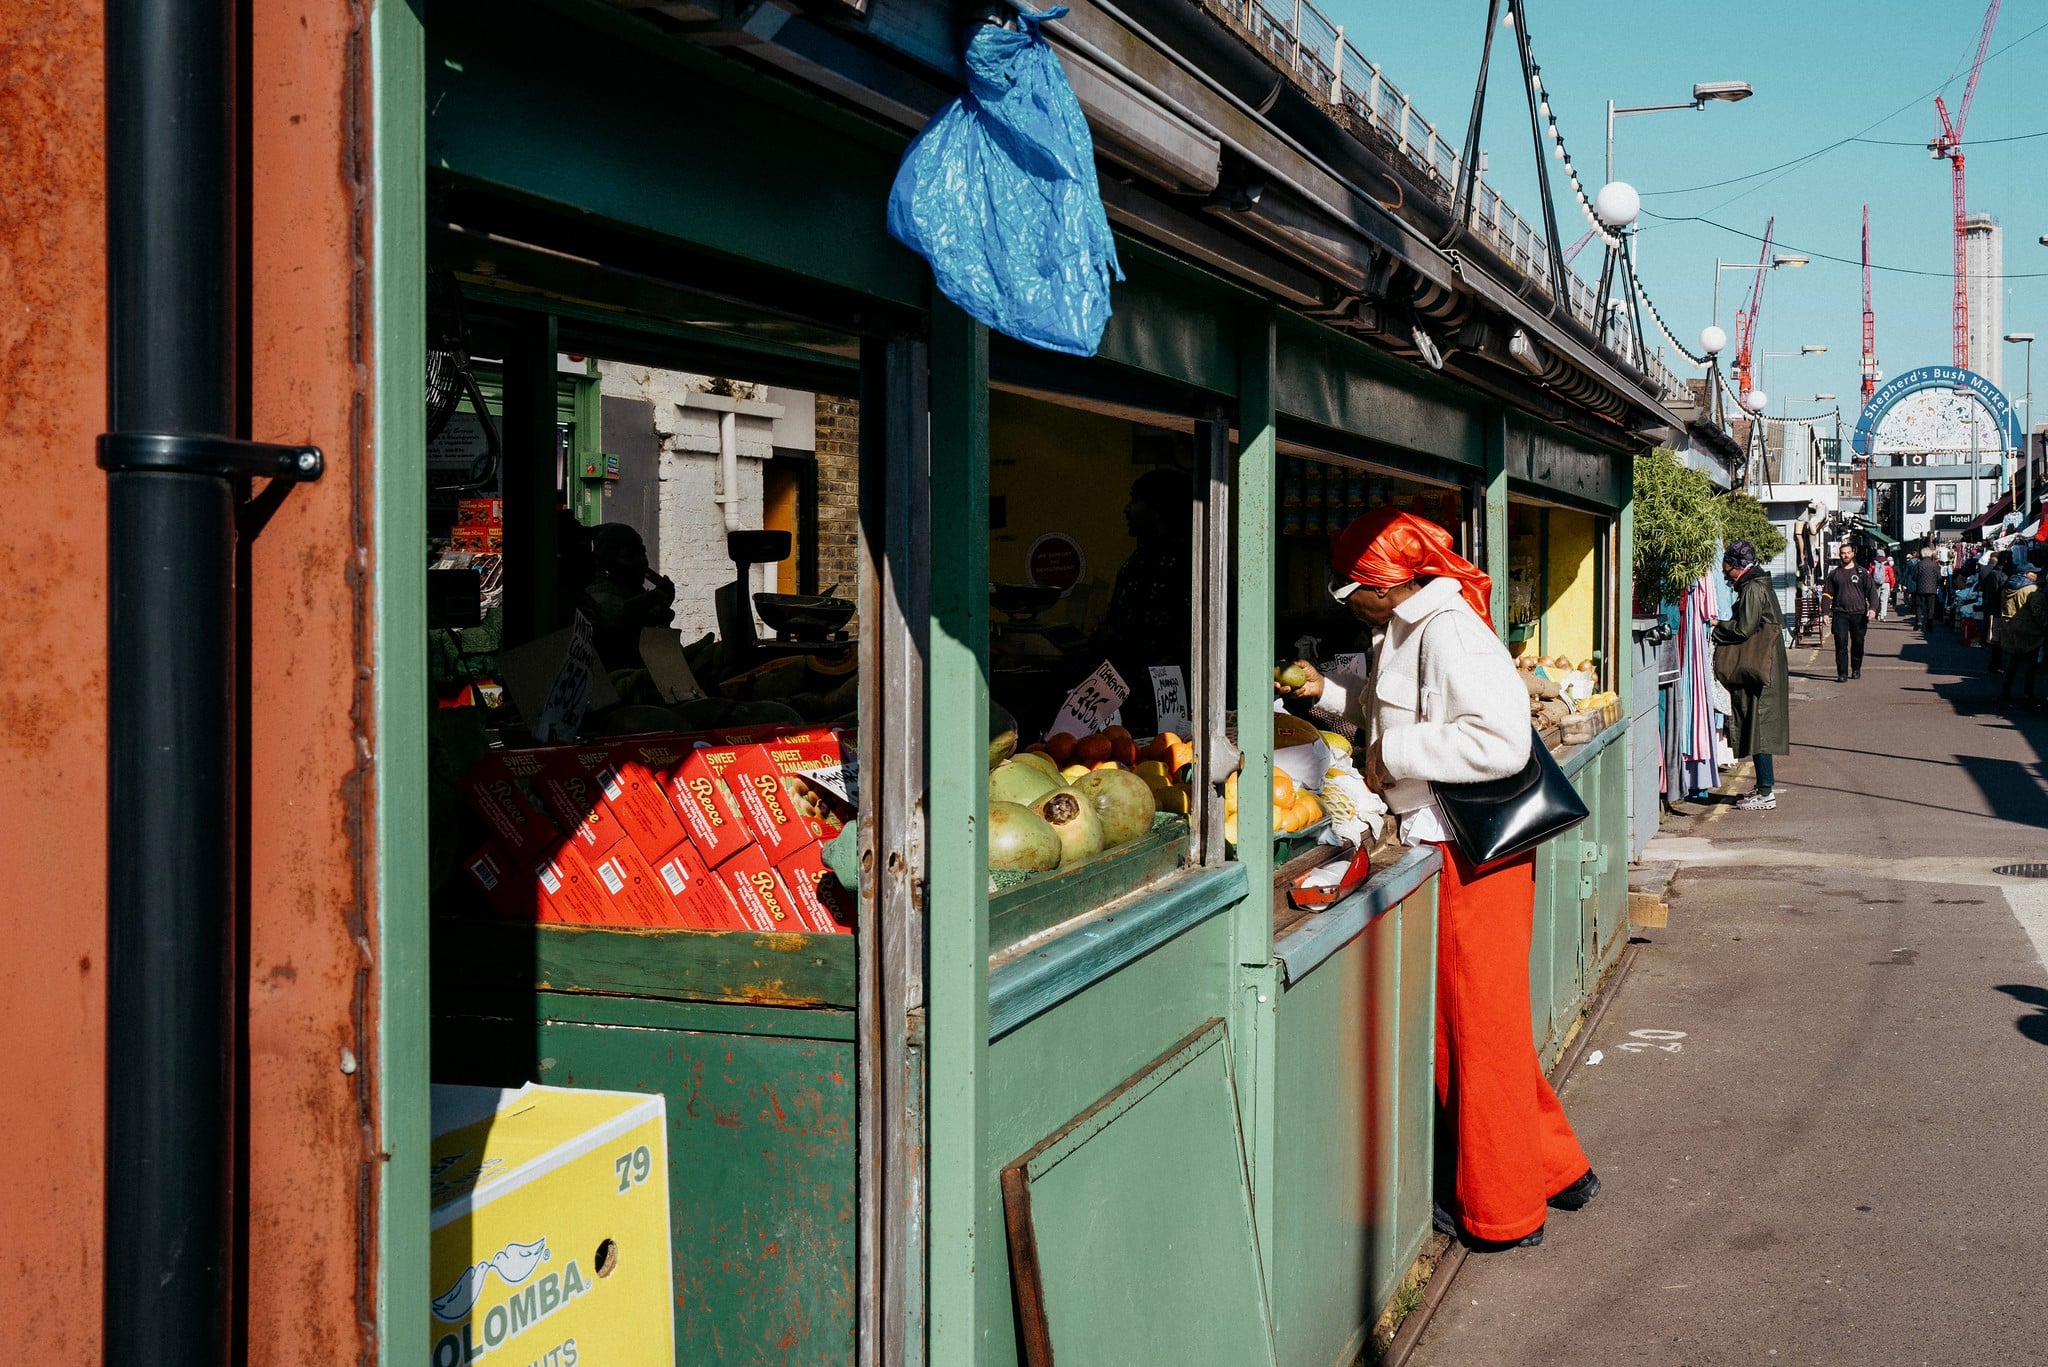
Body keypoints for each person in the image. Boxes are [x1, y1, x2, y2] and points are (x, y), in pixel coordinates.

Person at [1275, 509, 1595, 1251]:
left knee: (1475, 1033)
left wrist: (1400, 755)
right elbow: (1390, 709)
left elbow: (1503, 738)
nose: (1343, 599)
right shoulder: (1404, 626)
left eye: (1350, 587)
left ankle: (1505, 1212)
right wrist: (1326, 694)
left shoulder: (1446, 629)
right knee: (1489, 1027)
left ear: (1390, 583)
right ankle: (1554, 1167)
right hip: (1456, 848)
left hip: (1471, 853)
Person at [1096, 467, 1193, 735]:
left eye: (1135, 501)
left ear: (1158, 509)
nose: (1126, 509)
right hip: (1129, 698)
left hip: (1163, 705)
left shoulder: (1189, 564)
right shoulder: (1139, 561)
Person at [1713, 540, 1791, 811]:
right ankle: (1763, 786)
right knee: (1760, 726)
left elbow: (1743, 628)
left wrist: (1716, 627)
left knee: (1760, 727)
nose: (1726, 574)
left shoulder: (1752, 589)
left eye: (1728, 570)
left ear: (1738, 566)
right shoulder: (1757, 585)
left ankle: (1766, 792)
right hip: (1765, 665)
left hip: (1761, 668)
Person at [578, 522, 677, 671]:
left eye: (642, 553)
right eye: (628, 555)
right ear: (606, 563)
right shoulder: (602, 600)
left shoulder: (632, 592)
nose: (641, 560)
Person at [1820, 543, 1876, 682]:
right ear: (1840, 555)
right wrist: (1825, 613)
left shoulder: (1862, 573)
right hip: (1840, 614)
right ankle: (1842, 673)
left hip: (1858, 614)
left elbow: (1872, 593)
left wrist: (1873, 609)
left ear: (1853, 553)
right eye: (1843, 553)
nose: (1845, 555)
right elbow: (1827, 594)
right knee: (1840, 643)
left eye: (1848, 552)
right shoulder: (1834, 574)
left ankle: (1856, 669)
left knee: (1858, 643)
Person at [1998, 557, 2044, 710]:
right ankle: (2028, 693)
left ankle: (2005, 691)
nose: (2036, 575)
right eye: (2033, 573)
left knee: (2013, 662)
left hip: (2011, 628)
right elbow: (2039, 613)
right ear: (2027, 574)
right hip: (2029, 631)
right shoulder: (2032, 590)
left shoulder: (2008, 587)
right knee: (2030, 665)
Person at [1911, 546, 1942, 632]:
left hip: (1920, 588)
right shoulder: (1935, 565)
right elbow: (1939, 578)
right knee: (1930, 607)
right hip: (1932, 589)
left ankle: (1918, 621)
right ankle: (1929, 623)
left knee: (1918, 606)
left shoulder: (1919, 564)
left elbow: (1913, 577)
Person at [1872, 552, 1894, 622]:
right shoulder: (1887, 564)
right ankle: (1882, 616)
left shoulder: (1873, 563)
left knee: (1876, 599)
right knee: (1884, 600)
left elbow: (1870, 573)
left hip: (1875, 583)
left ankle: (1876, 614)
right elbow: (1891, 576)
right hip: (1886, 583)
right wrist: (1892, 585)